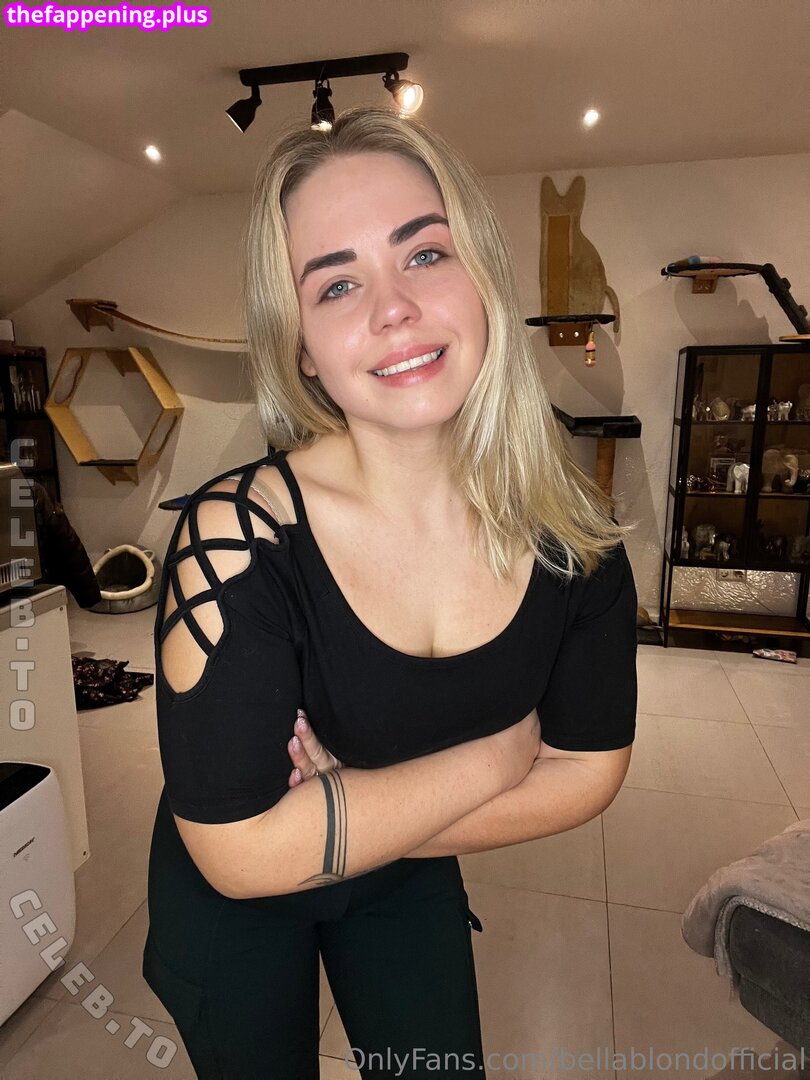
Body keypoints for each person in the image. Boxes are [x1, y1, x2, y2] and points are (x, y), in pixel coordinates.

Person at [142, 105, 639, 1079]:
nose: (393, 308)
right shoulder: (235, 539)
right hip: (231, 914)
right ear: (301, 348)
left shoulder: (573, 539)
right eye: (337, 284)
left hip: (403, 877)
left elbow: (588, 772)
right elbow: (238, 855)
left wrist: (358, 810)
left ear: (482, 275)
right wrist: (498, 755)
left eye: (424, 254)